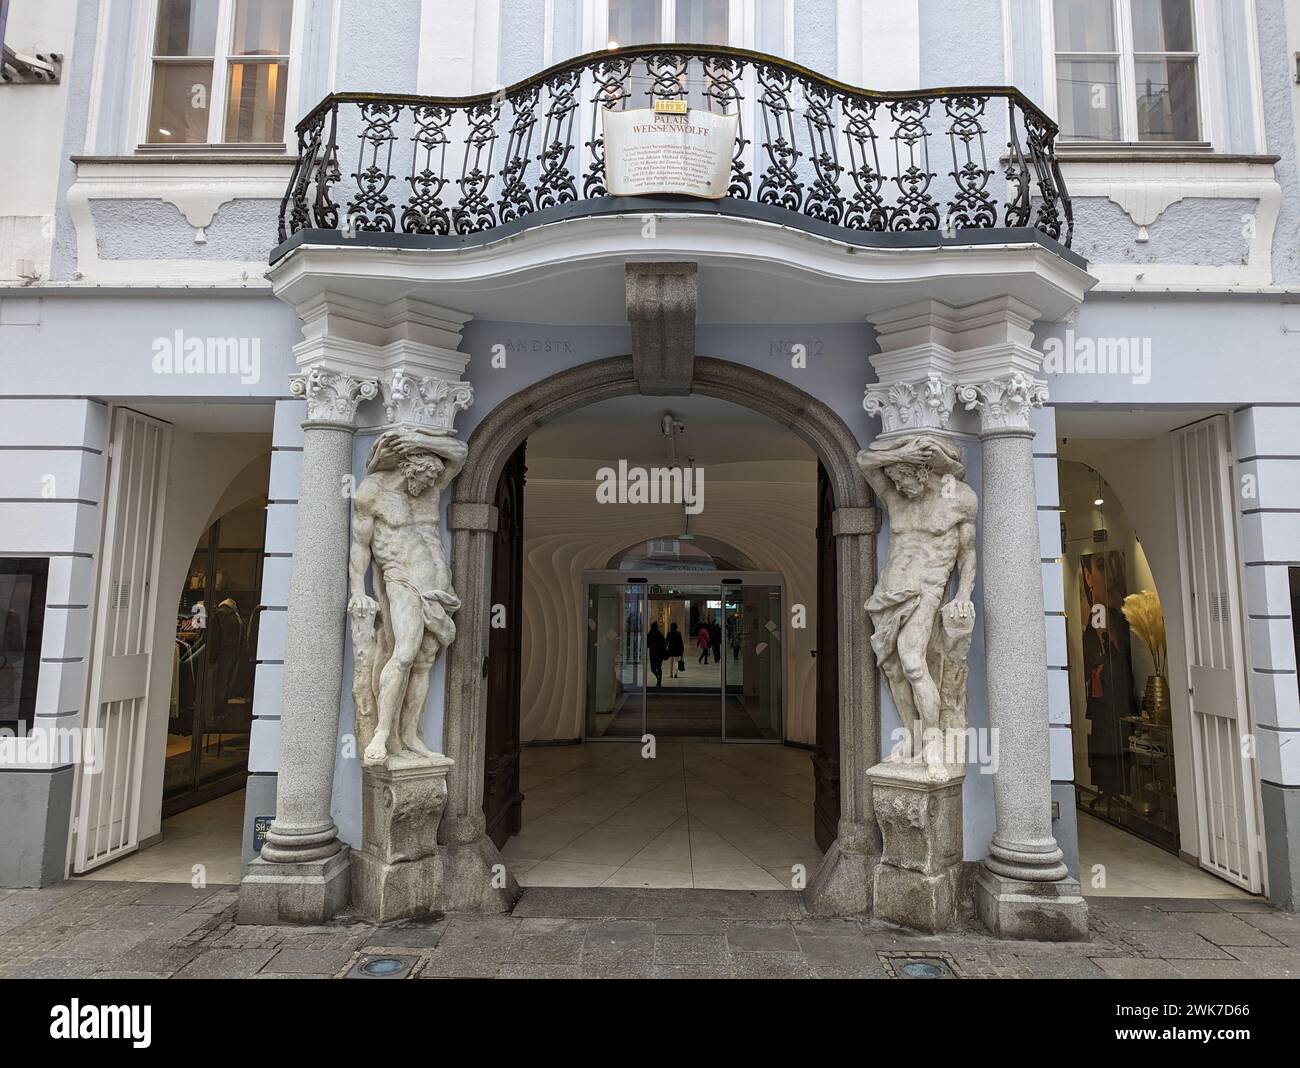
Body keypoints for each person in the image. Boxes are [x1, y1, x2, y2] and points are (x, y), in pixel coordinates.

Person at [647, 621, 666, 687]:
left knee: (653, 668)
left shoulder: (650, 634)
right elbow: (664, 643)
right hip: (660, 654)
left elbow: (647, 644)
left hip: (653, 654)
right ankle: (659, 681)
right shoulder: (659, 634)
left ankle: (658, 677)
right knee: (659, 667)